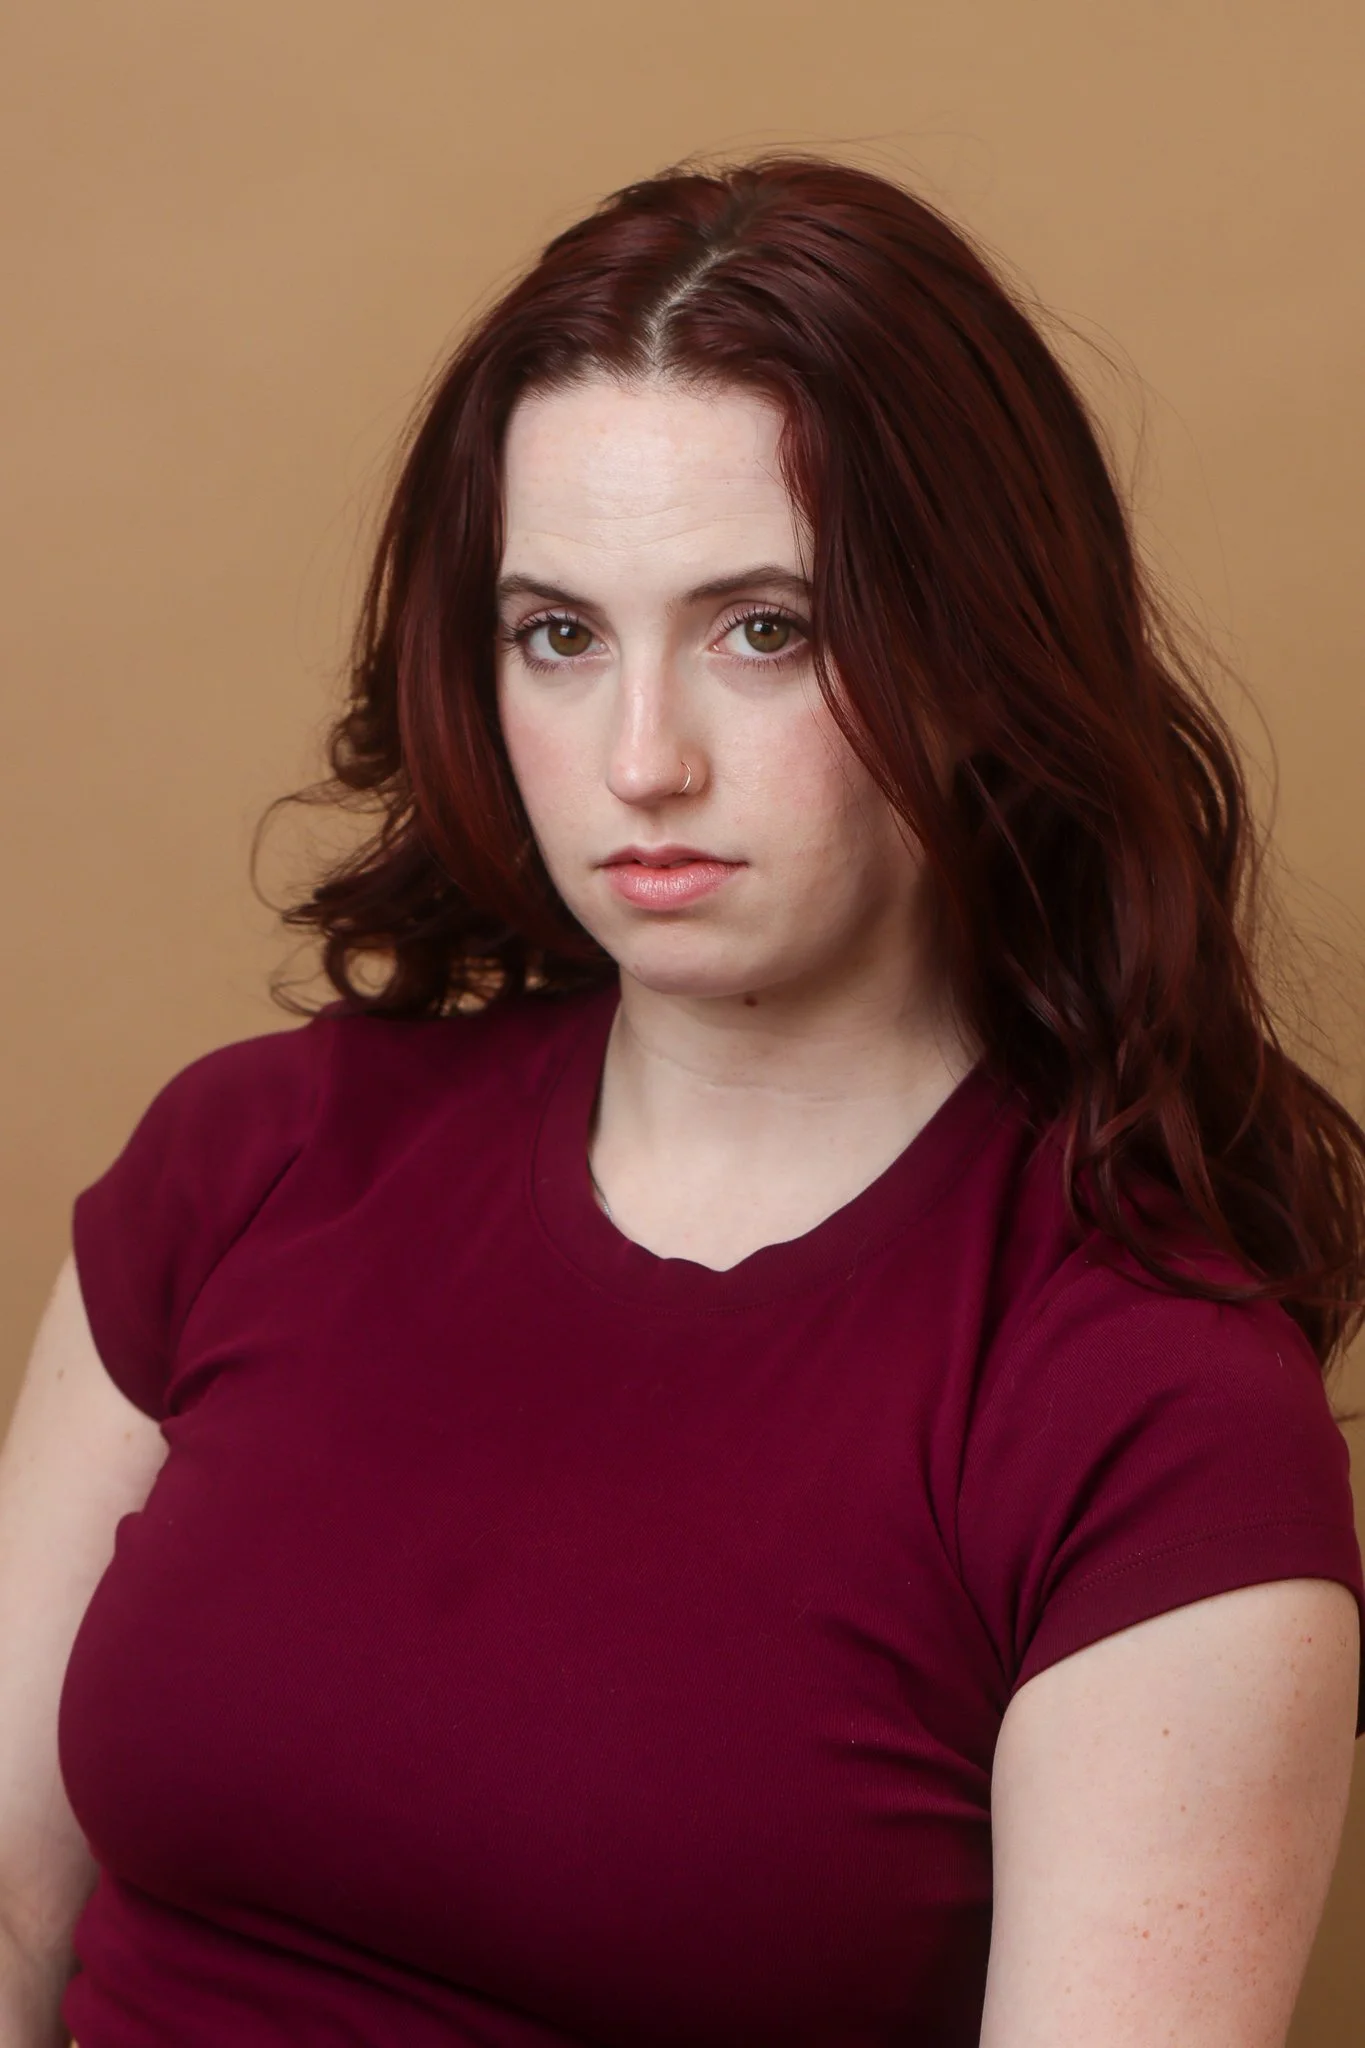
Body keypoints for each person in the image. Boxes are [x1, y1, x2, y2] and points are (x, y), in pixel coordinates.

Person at [2, 155, 1362, 2048]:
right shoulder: (252, 1164)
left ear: (975, 658)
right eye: (560, 634)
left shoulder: (1144, 1412)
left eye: (765, 629)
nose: (642, 760)